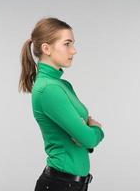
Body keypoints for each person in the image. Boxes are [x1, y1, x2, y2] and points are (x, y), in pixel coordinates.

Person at [18, 17, 105, 191]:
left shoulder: (62, 85)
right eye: (67, 44)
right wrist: (96, 130)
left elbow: (82, 137)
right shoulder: (48, 89)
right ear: (46, 48)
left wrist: (83, 135)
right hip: (61, 185)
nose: (73, 51)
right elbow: (88, 138)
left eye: (73, 44)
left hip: (71, 184)